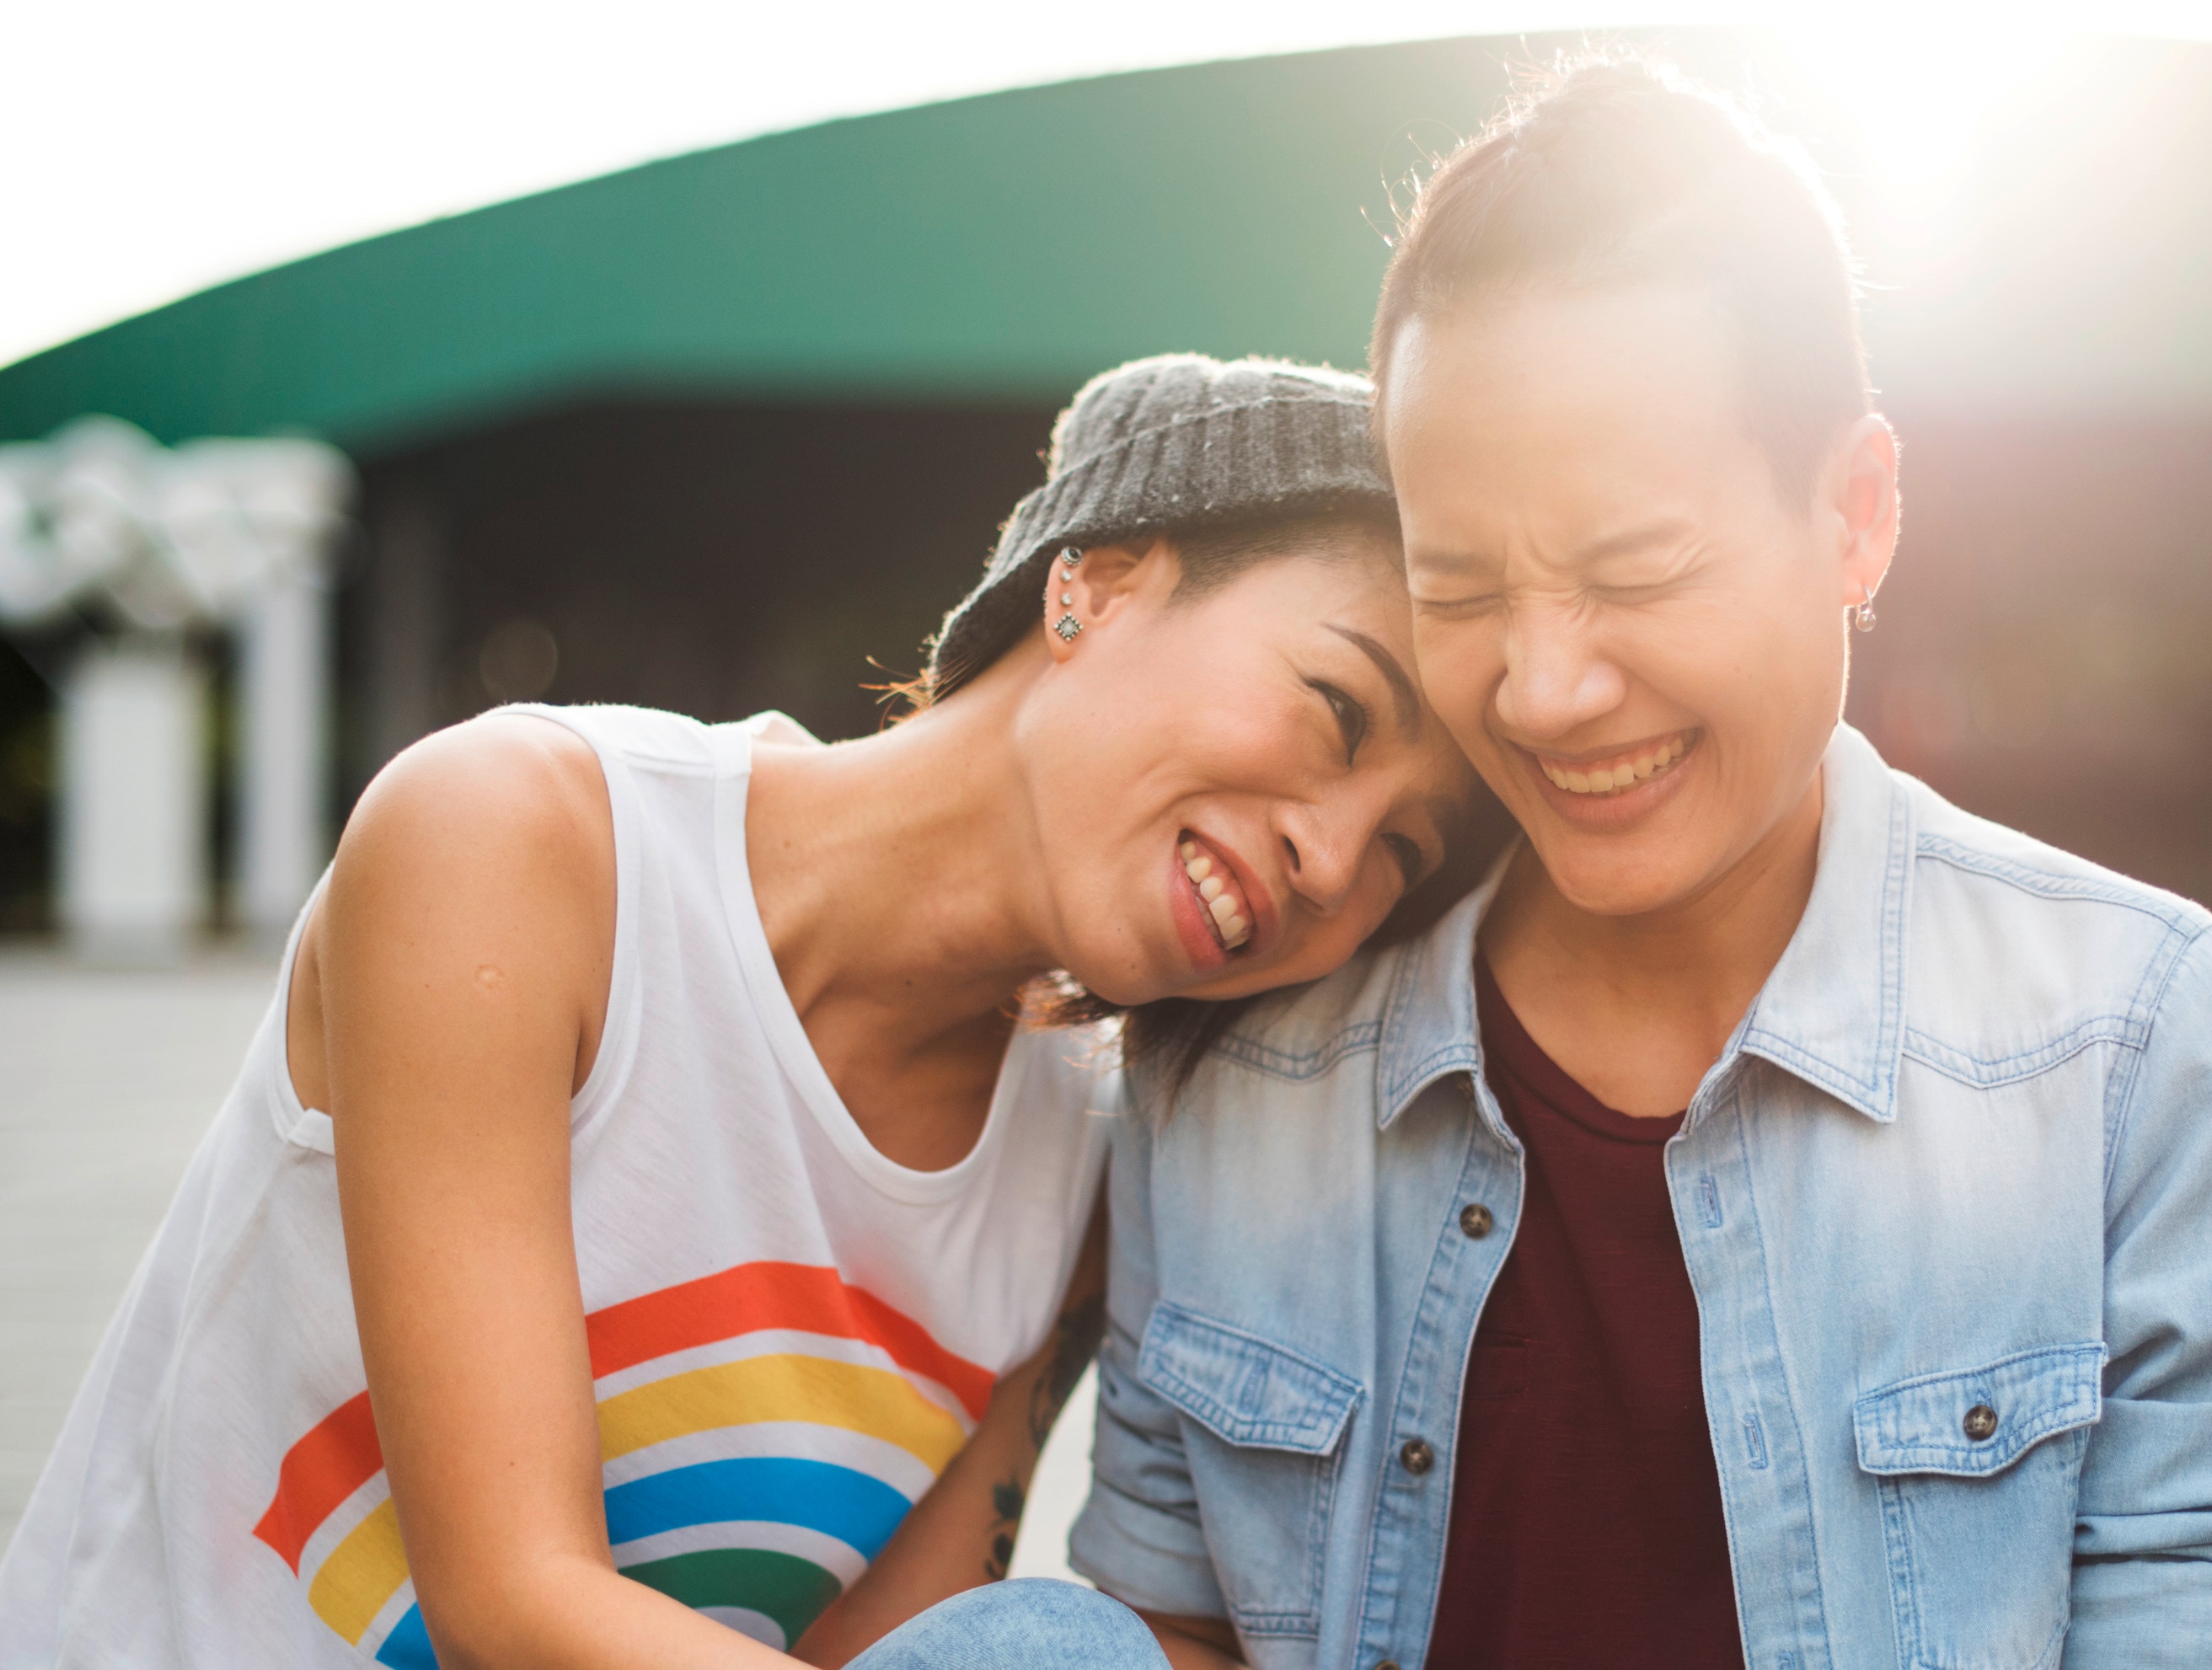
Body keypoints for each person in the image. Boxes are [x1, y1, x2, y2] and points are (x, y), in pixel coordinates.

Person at [1072, 56, 2212, 1670]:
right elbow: (1159, 1628)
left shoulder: (2143, 1050)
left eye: (1634, 565)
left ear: (1856, 513)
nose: (1542, 690)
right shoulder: (1231, 1072)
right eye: (1459, 587)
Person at [0, 354, 1484, 1670]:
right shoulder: (524, 843)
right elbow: (515, 1608)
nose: (1336, 859)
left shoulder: (1089, 1150)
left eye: (1402, 854)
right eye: (1338, 709)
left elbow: (885, 1647)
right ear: (1098, 577)